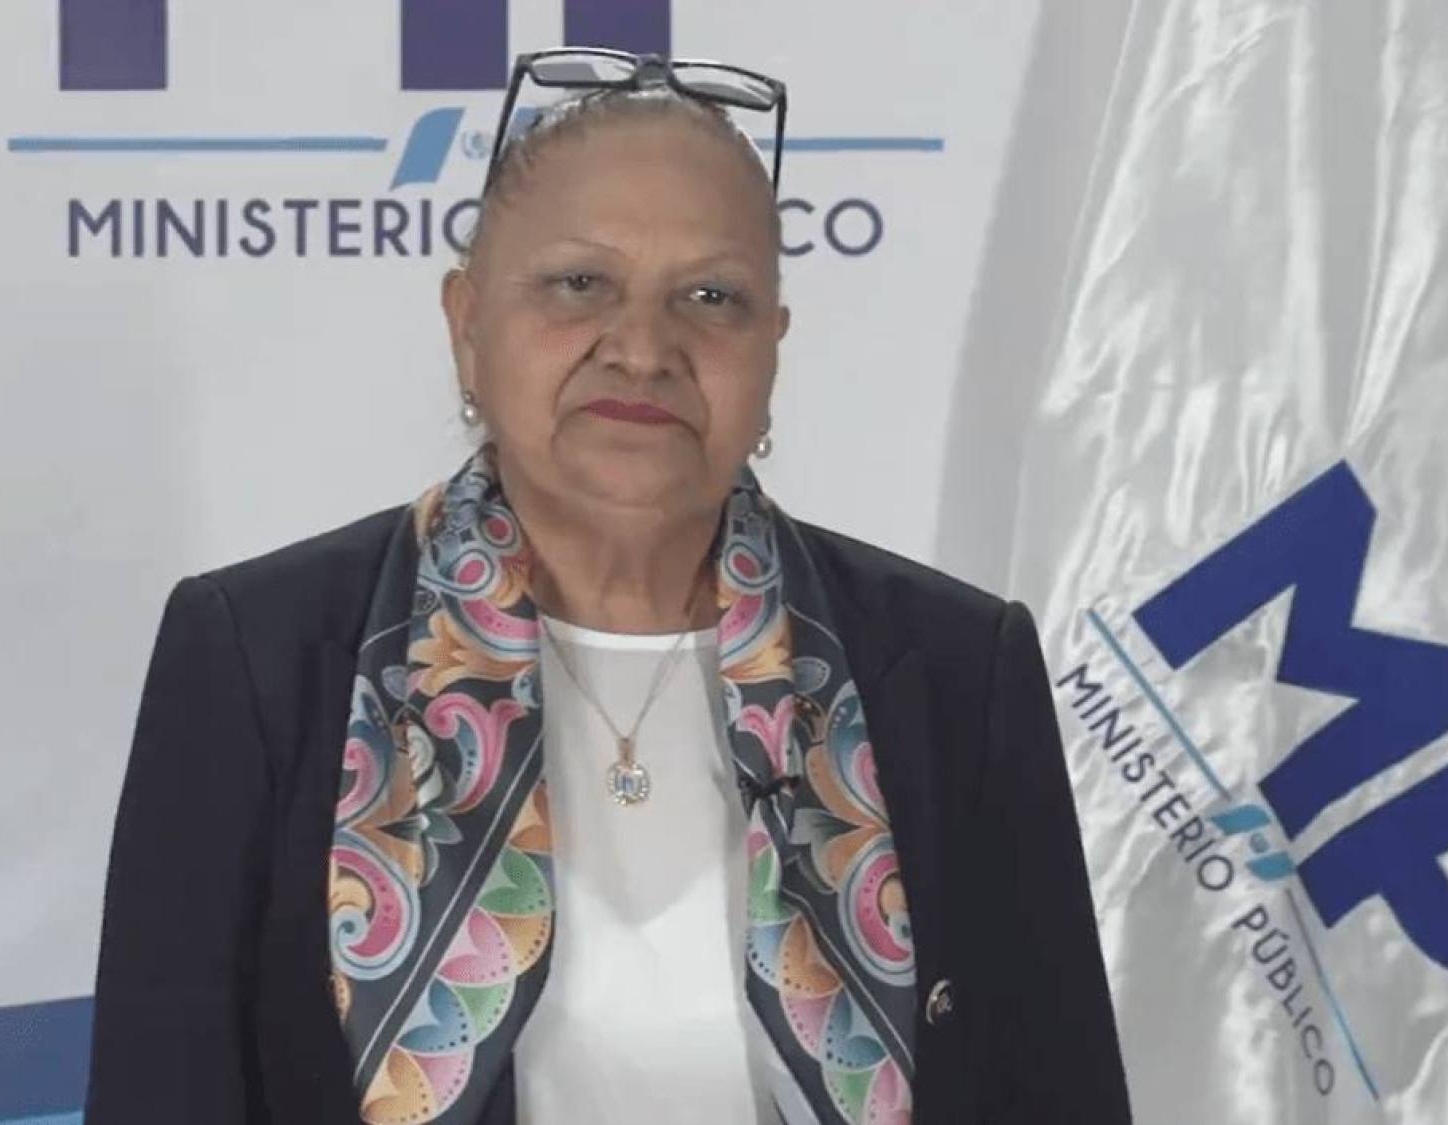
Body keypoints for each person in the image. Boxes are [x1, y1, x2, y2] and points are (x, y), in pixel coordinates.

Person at [86, 48, 1130, 1125]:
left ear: (771, 350)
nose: (642, 348)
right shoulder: (255, 660)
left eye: (712, 297)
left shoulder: (958, 673)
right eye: (578, 284)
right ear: (466, 324)